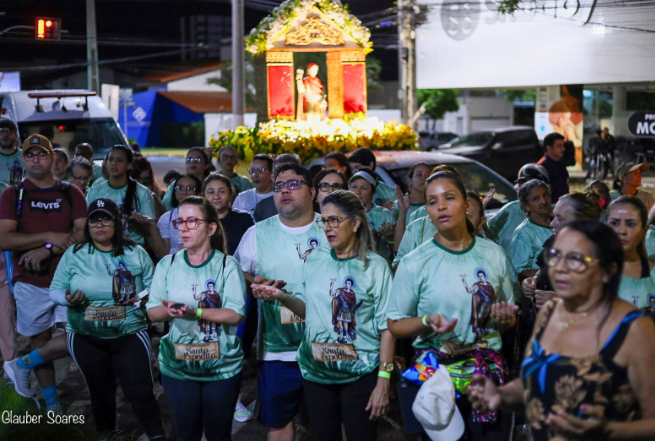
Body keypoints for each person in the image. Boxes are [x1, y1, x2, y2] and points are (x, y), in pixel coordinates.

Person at [469, 221, 655, 441]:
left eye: (575, 259)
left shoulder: (633, 329)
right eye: (555, 255)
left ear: (607, 271)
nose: (559, 268)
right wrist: (500, 395)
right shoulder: (550, 313)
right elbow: (534, 384)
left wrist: (608, 431)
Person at [251, 190, 395, 441]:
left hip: (360, 372)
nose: (327, 227)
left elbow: (387, 327)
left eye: (334, 220)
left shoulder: (376, 267)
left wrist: (383, 379)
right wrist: (282, 297)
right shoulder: (315, 259)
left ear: (355, 223)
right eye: (324, 221)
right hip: (316, 373)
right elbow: (310, 312)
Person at [387, 170, 518, 440]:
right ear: (427, 210)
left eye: (449, 197)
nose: (441, 206)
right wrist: (426, 321)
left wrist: (505, 319)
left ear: (466, 204)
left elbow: (505, 316)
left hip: (486, 377)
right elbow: (395, 324)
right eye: (432, 201)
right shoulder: (414, 263)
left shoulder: (493, 253)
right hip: (437, 379)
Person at [47, 198, 164, 439]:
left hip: (130, 333)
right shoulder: (74, 254)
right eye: (94, 220)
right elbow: (55, 289)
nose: (99, 225)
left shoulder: (136, 252)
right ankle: (107, 436)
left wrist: (142, 298)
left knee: (141, 391)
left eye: (106, 219)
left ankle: (157, 436)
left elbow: (155, 287)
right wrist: (67, 299)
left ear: (117, 222)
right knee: (100, 393)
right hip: (85, 336)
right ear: (87, 225)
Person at [235, 163, 326, 441]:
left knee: (331, 422)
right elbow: (238, 272)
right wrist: (255, 282)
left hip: (329, 346)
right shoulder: (257, 233)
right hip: (277, 351)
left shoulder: (331, 228)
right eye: (278, 186)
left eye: (293, 184)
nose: (284, 190)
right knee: (278, 422)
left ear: (312, 192)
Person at [147, 196, 246, 441]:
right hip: (178, 366)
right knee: (185, 433)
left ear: (211, 228)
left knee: (218, 434)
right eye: (179, 222)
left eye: (191, 221)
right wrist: (169, 311)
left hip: (221, 367)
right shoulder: (167, 264)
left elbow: (235, 315)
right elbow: (153, 311)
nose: (183, 228)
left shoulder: (227, 265)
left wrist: (196, 312)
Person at [0, 134, 87, 411]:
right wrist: (48, 236)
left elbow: (84, 232)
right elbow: (4, 238)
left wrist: (47, 250)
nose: (36, 159)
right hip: (29, 280)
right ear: (22, 159)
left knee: (78, 337)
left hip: (69, 278)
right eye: (30, 154)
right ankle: (52, 405)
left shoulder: (70, 192)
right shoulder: (12, 194)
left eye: (41, 154)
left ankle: (21, 364)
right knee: (40, 339)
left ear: (53, 158)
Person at [522, 190, 603, 309]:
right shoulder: (555, 242)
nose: (552, 223)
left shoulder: (599, 256)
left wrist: (561, 301)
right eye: (554, 216)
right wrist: (532, 281)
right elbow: (544, 270)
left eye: (560, 218)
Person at [86, 145, 156, 247]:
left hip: (134, 248)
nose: (114, 163)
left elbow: (151, 230)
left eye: (119, 160)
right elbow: (86, 222)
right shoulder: (95, 190)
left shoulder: (142, 192)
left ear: (129, 165)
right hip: (101, 247)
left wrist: (135, 222)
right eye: (111, 159)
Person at [488, 164, 550, 253]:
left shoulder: (557, 212)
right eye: (521, 183)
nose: (523, 187)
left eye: (530, 184)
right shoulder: (510, 209)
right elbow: (487, 233)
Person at [606, 196, 655, 308]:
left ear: (644, 230)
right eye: (614, 223)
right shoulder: (592, 272)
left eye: (630, 224)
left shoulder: (653, 273)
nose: (622, 231)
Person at [145, 174, 202, 259]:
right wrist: (152, 226)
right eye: (180, 188)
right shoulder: (166, 218)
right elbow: (163, 254)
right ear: (174, 192)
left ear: (199, 193)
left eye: (190, 188)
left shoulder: (206, 217)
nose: (184, 192)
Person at [509, 179, 553, 281]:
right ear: (526, 206)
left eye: (546, 195)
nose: (543, 201)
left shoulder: (560, 218)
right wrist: (551, 273)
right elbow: (519, 271)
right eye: (535, 199)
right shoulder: (524, 233)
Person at [349, 169, 395, 260]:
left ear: (373, 192)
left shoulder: (384, 214)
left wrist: (391, 239)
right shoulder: (342, 213)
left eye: (364, 188)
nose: (357, 191)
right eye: (354, 187)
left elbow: (397, 249)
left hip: (379, 264)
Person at [203, 174, 254, 256]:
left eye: (222, 191)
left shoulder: (244, 219)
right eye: (211, 192)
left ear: (230, 194)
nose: (216, 196)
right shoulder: (198, 221)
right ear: (203, 196)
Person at [253, 153, 302, 222]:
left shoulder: (309, 203)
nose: (284, 178)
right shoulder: (263, 207)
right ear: (273, 178)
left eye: (290, 173)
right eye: (279, 173)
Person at [392, 162, 430, 250]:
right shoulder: (399, 205)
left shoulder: (433, 206)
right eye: (419, 175)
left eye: (428, 175)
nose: (424, 178)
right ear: (409, 180)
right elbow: (397, 246)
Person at [536, 133, 569, 203]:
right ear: (549, 148)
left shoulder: (561, 165)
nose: (563, 149)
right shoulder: (541, 166)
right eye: (559, 146)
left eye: (563, 145)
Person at [0, 119, 23, 186]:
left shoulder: (25, 156)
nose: (5, 134)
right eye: (1, 132)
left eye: (9, 131)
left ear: (16, 136)